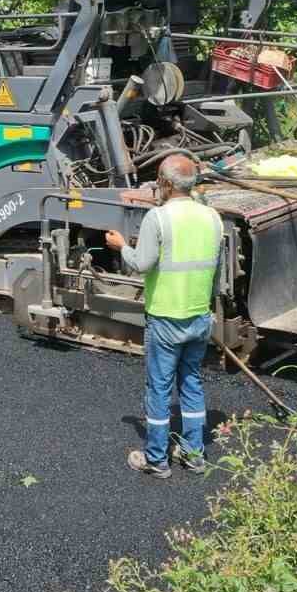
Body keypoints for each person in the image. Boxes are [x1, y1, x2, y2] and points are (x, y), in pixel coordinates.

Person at [105, 154, 225, 478]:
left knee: (159, 388)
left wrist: (120, 246)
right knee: (191, 384)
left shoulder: (157, 219)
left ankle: (157, 459)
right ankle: (194, 455)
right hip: (199, 316)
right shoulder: (213, 218)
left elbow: (142, 264)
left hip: (165, 318)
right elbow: (218, 275)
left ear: (166, 184)